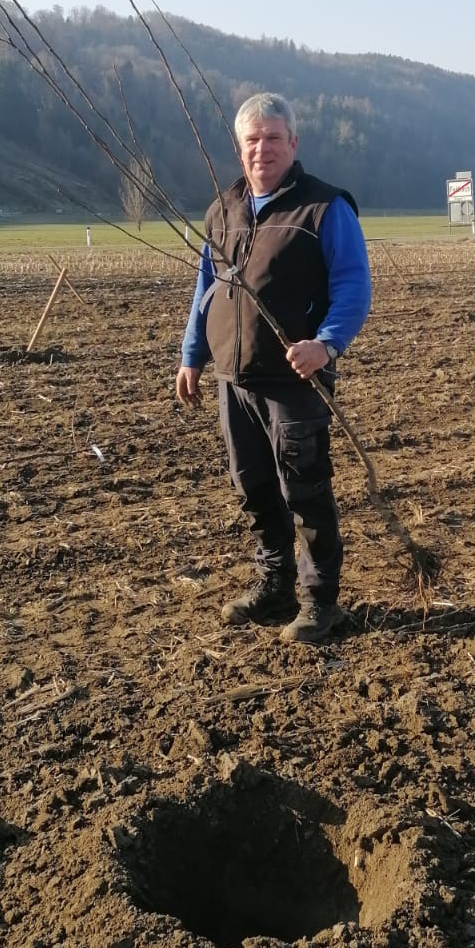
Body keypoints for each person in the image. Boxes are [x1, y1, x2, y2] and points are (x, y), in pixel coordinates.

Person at [175, 92, 372, 643]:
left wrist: (326, 345)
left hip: (295, 380)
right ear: (239, 148)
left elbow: (353, 286)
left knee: (304, 490)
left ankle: (319, 601)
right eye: (253, 139)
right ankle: (275, 585)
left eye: (273, 138)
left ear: (293, 143)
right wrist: (192, 355)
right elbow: (205, 289)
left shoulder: (323, 208)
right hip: (234, 377)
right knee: (253, 487)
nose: (263, 149)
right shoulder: (223, 210)